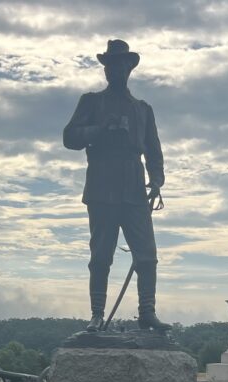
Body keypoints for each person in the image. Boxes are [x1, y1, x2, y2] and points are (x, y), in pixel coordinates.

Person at [63, 39, 170, 332]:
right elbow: (69, 137)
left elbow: (154, 151)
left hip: (134, 188)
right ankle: (97, 314)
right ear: (106, 69)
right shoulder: (91, 101)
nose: (117, 70)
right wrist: (99, 129)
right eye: (112, 65)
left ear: (129, 69)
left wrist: (156, 180)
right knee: (101, 256)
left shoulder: (143, 109)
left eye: (122, 65)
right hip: (101, 186)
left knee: (147, 255)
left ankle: (147, 312)